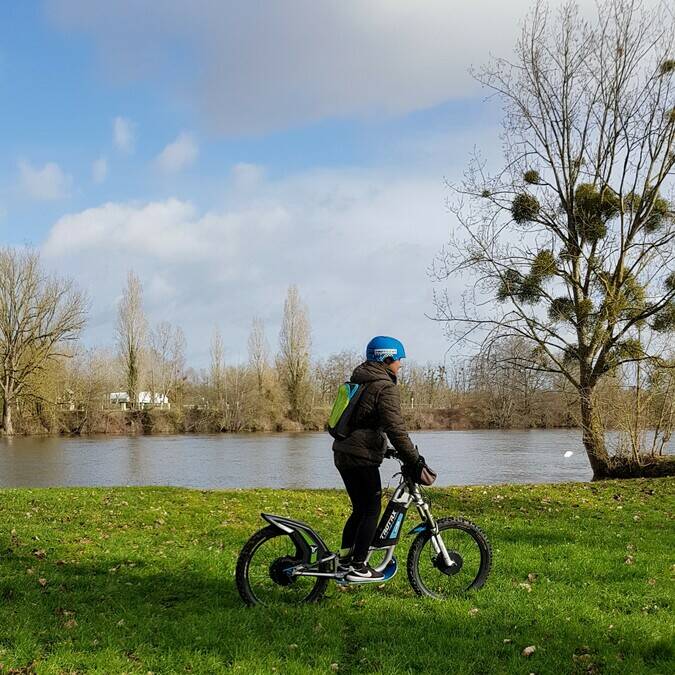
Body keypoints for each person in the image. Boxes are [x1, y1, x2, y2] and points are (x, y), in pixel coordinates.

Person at [332, 335, 432, 582]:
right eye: (399, 360)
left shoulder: (362, 380)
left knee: (360, 509)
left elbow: (363, 423)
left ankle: (345, 560)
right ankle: (358, 566)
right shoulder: (384, 386)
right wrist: (415, 460)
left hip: (344, 453)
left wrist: (384, 449)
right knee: (371, 510)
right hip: (360, 458)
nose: (400, 365)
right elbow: (395, 428)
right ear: (386, 359)